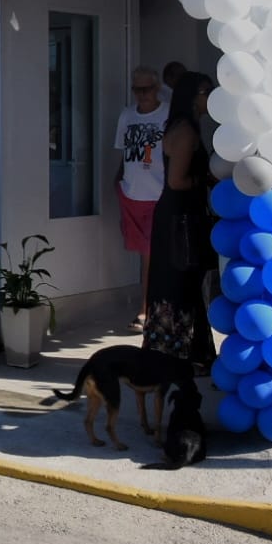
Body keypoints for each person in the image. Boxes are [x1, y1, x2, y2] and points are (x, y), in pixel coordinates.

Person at [142, 71, 218, 374]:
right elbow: (177, 181)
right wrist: (207, 179)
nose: (209, 97)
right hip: (181, 217)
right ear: (192, 96)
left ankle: (178, 352)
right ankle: (187, 354)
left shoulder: (179, 126)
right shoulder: (186, 131)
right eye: (205, 91)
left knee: (177, 284)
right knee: (182, 285)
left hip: (175, 216)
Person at [114, 65, 168, 331]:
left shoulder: (167, 114)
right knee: (142, 254)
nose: (142, 94)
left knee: (150, 255)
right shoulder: (127, 115)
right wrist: (119, 185)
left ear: (157, 88)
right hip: (131, 193)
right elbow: (122, 153)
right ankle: (151, 307)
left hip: (157, 195)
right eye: (137, 89)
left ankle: (146, 310)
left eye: (147, 89)